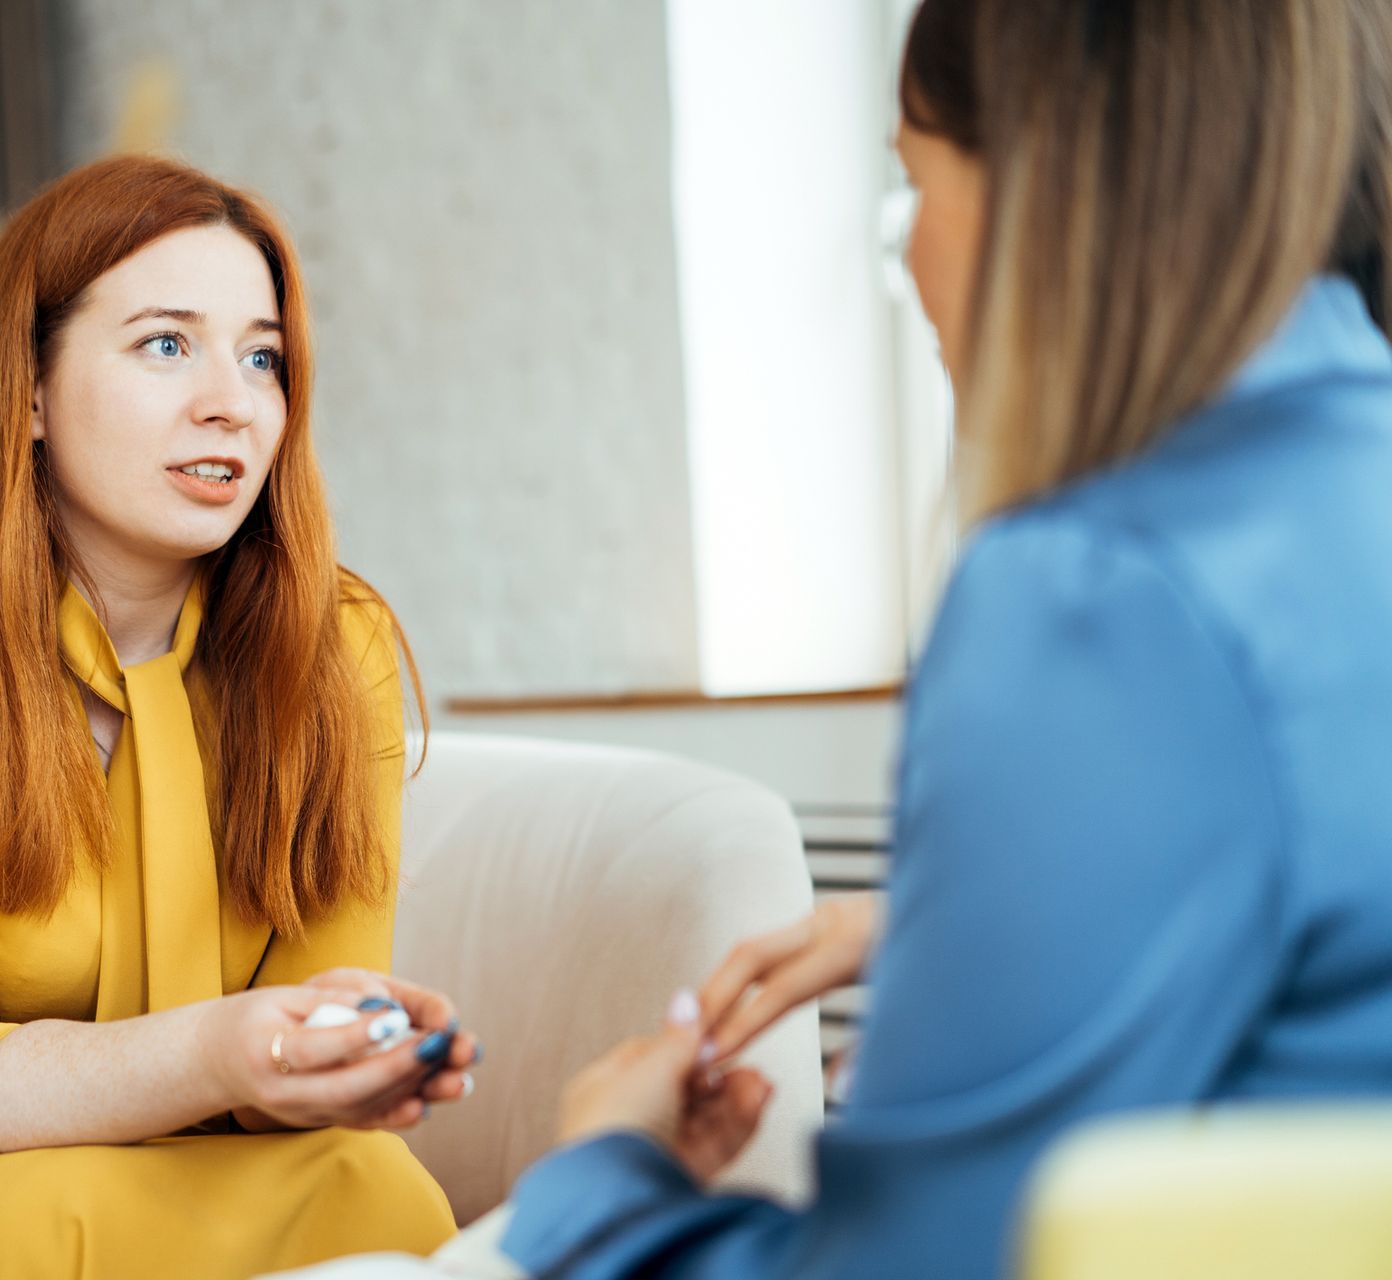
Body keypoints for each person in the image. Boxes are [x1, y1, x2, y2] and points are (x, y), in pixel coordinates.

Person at [499, 1, 1392, 1276]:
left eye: (914, 183)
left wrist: (595, 1181)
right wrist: (959, 924)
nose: (913, 260)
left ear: (1053, 184)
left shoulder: (1100, 592)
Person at [0, 154, 476, 1278]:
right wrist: (225, 1048)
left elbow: (288, 1087)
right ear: (28, 393)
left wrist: (333, 1052)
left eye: (264, 356)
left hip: (189, 1167)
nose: (231, 399)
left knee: (371, 1182)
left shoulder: (333, 644)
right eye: (167, 343)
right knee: (43, 1227)